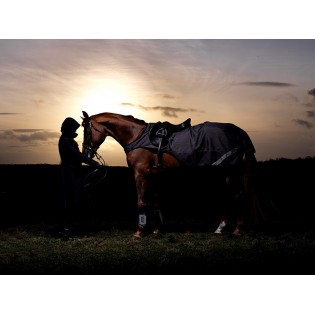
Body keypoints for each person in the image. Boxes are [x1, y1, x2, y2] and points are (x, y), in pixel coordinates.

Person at [58, 117, 101, 240]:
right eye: (74, 128)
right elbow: (78, 156)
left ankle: (71, 228)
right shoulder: (66, 141)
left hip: (73, 173)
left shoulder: (67, 139)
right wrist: (94, 163)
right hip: (70, 175)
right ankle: (68, 230)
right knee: (73, 201)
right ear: (68, 129)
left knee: (74, 201)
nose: (75, 131)